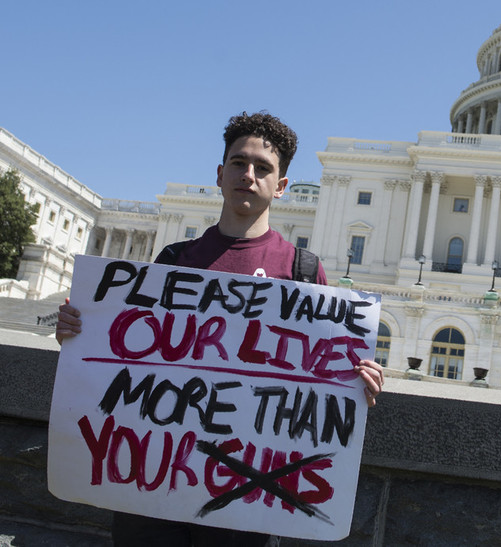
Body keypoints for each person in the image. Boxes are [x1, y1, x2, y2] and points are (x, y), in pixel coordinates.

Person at [55, 111, 385, 546]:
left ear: (281, 186)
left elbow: (320, 384)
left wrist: (358, 382)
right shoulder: (174, 261)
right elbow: (128, 354)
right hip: (154, 488)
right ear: (220, 173)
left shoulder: (303, 273)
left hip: (245, 503)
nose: (249, 175)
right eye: (239, 163)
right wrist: (81, 332)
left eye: (263, 168)